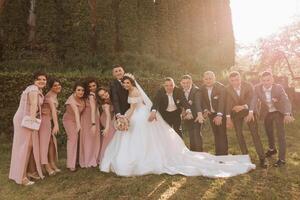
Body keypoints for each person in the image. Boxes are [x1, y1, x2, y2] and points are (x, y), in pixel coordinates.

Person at [100, 73, 255, 178]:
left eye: (128, 82)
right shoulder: (156, 91)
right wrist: (124, 117)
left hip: (150, 115)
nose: (126, 84)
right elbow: (154, 103)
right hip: (148, 115)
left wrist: (188, 110)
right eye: (124, 83)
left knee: (169, 134)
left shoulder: (171, 91)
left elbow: (184, 102)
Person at [246, 71, 294, 167]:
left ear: (272, 80)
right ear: (261, 81)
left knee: (280, 134)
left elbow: (285, 100)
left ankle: (282, 159)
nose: (266, 82)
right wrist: (250, 112)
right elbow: (254, 100)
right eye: (264, 80)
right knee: (268, 131)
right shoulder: (257, 88)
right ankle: (272, 149)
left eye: (268, 80)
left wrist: (287, 113)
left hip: (278, 111)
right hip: (267, 112)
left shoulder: (278, 88)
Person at [9, 71, 47, 185]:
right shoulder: (34, 89)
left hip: (25, 118)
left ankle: (27, 172)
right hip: (25, 120)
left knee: (27, 146)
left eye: (44, 79)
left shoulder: (35, 89)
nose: (42, 81)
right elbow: (34, 104)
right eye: (39, 79)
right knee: (25, 147)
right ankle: (22, 177)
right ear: (34, 80)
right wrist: (32, 122)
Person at [226, 71, 267, 167]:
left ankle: (262, 158)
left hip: (249, 111)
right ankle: (245, 157)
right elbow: (228, 104)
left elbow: (253, 99)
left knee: (254, 133)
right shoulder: (227, 89)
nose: (235, 82)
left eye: (237, 80)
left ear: (240, 78)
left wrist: (243, 107)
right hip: (236, 113)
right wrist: (228, 118)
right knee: (239, 134)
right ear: (230, 81)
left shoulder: (248, 86)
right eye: (232, 81)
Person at [200, 71, 228, 155]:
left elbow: (222, 102)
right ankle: (218, 152)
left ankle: (223, 154)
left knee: (222, 133)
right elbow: (202, 100)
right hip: (211, 113)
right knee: (216, 133)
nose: (208, 81)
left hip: (220, 112)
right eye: (206, 79)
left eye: (210, 78)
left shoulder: (221, 87)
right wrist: (205, 109)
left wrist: (219, 115)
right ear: (203, 80)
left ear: (214, 79)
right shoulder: (202, 88)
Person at [39, 78, 62, 176]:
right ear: (50, 87)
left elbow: (50, 109)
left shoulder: (54, 95)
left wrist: (55, 112)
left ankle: (52, 163)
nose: (58, 87)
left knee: (51, 143)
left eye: (59, 85)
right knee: (45, 144)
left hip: (48, 120)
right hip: (44, 122)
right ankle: (46, 165)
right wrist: (56, 124)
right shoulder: (49, 96)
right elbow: (51, 110)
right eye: (55, 85)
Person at [63, 82, 86, 171]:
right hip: (69, 121)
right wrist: (78, 125)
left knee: (78, 140)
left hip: (77, 121)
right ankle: (71, 165)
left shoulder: (82, 99)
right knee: (72, 139)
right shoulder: (71, 99)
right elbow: (76, 112)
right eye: (78, 90)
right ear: (74, 91)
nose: (81, 92)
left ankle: (77, 160)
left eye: (82, 90)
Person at [79, 78, 101, 168]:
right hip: (90, 118)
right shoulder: (91, 95)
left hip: (89, 117)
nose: (92, 88)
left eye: (94, 86)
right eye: (89, 86)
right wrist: (93, 123)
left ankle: (87, 159)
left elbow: (96, 109)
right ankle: (90, 159)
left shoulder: (92, 95)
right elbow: (92, 109)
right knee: (90, 138)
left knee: (89, 138)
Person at [180, 75, 205, 151]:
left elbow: (197, 103)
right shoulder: (181, 91)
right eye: (184, 83)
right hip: (188, 115)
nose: (185, 85)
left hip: (197, 115)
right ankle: (193, 153)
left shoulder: (196, 90)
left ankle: (200, 153)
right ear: (181, 83)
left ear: (191, 82)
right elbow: (182, 103)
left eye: (187, 83)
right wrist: (184, 111)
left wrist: (199, 115)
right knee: (191, 135)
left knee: (196, 134)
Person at [96, 87, 116, 163]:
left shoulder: (112, 99)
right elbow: (108, 116)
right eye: (102, 95)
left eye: (105, 93)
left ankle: (112, 156)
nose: (105, 95)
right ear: (100, 97)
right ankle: (103, 159)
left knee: (112, 137)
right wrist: (107, 128)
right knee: (108, 137)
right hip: (106, 120)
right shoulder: (105, 104)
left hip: (111, 119)